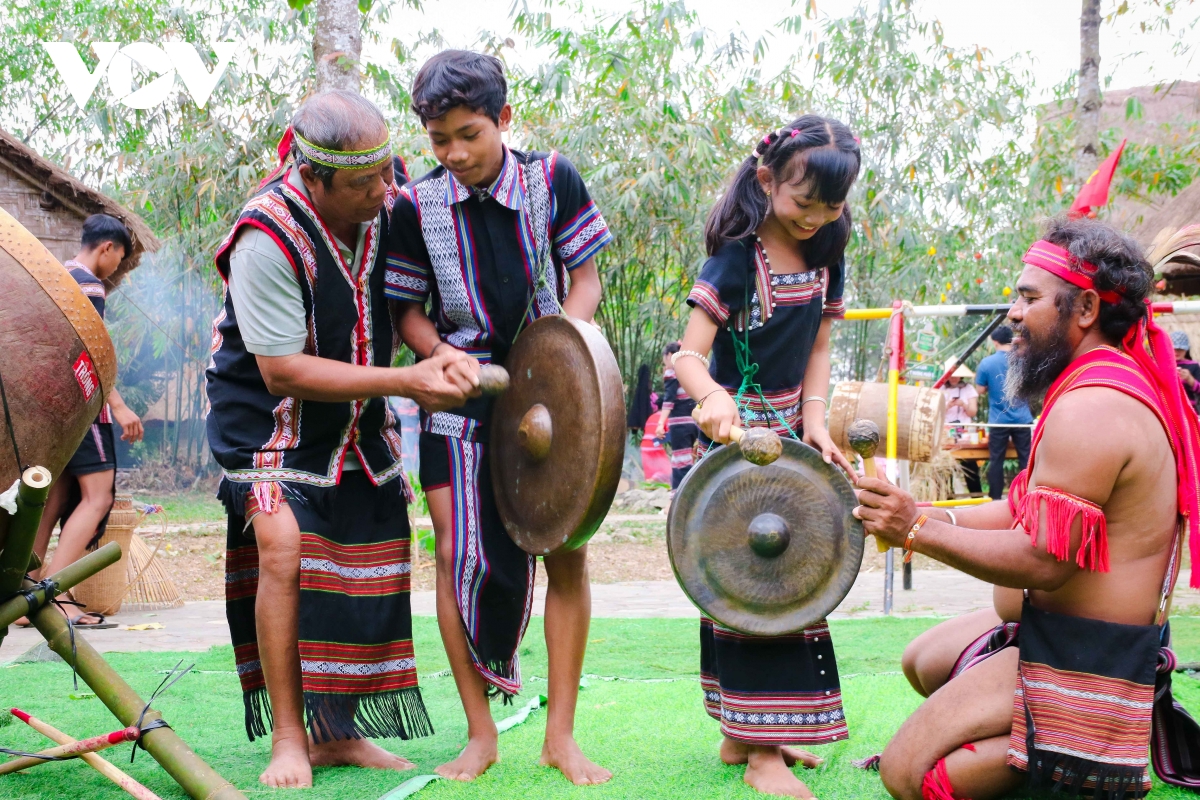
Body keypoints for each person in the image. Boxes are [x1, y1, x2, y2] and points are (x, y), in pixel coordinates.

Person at [855, 217, 1200, 800]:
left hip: (1090, 654)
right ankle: (1059, 748)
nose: (1013, 313)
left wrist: (914, 529)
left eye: (1028, 297)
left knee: (908, 775)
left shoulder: (1093, 407)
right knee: (924, 660)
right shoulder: (1089, 382)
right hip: (1048, 630)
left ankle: (1092, 751)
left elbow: (1043, 560)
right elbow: (1023, 511)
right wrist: (922, 513)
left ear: (1085, 307)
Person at [205, 91, 479, 789]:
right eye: (364, 183)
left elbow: (405, 301)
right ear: (314, 178)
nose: (385, 191)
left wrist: (433, 352)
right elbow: (279, 370)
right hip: (266, 427)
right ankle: (291, 738)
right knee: (285, 548)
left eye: (387, 173)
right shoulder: (265, 236)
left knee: (368, 552)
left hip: (353, 424)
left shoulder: (387, 205)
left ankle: (338, 732)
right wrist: (406, 382)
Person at [386, 50, 614, 785]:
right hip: (458, 404)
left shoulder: (553, 179)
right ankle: (480, 736)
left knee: (566, 553)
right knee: (458, 563)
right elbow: (408, 313)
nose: (454, 153)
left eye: (469, 134)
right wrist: (438, 355)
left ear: (504, 120)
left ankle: (561, 737)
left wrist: (561, 358)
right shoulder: (412, 206)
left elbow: (585, 279)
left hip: (554, 400)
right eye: (439, 139)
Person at [673, 115, 861, 799]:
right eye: (802, 200)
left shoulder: (830, 246)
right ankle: (759, 751)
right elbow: (687, 356)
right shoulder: (735, 257)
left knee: (794, 579)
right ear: (766, 180)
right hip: (733, 443)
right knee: (750, 584)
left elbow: (818, 343)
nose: (816, 217)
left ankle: (746, 733)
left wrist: (817, 424)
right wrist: (715, 398)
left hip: (791, 434)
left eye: (831, 205)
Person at [28, 214, 144, 628]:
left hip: (48, 408)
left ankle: (25, 593)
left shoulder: (56, 277)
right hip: (80, 408)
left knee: (56, 496)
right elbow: (86, 355)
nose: (115, 272)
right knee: (97, 497)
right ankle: (55, 599)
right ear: (107, 248)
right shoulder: (87, 287)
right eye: (119, 260)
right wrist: (118, 406)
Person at [973, 325, 1033, 499]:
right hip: (1023, 418)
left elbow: (980, 390)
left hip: (998, 420)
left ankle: (995, 499)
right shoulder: (1024, 360)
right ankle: (1027, 497)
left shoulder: (987, 363)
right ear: (1010, 340)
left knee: (996, 461)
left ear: (995, 342)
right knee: (1026, 460)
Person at [656, 342, 700, 489]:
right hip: (693, 424)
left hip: (679, 425)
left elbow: (669, 400)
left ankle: (684, 496)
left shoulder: (672, 373)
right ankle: (676, 498)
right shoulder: (691, 371)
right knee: (683, 459)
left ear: (669, 355)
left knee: (681, 462)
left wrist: (661, 423)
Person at [940, 358, 982, 495]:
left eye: (956, 374)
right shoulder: (941, 388)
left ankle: (976, 496)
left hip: (964, 431)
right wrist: (948, 406)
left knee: (969, 464)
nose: (953, 378)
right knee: (945, 467)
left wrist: (963, 404)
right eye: (950, 375)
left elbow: (973, 411)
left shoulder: (968, 389)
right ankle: (947, 498)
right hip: (946, 431)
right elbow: (935, 413)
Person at [1172, 330, 1200, 414]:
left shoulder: (1194, 366)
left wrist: (1190, 379)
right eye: (1174, 348)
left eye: (1180, 349)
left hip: (1189, 409)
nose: (1177, 352)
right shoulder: (1164, 365)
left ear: (1186, 349)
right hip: (1170, 407)